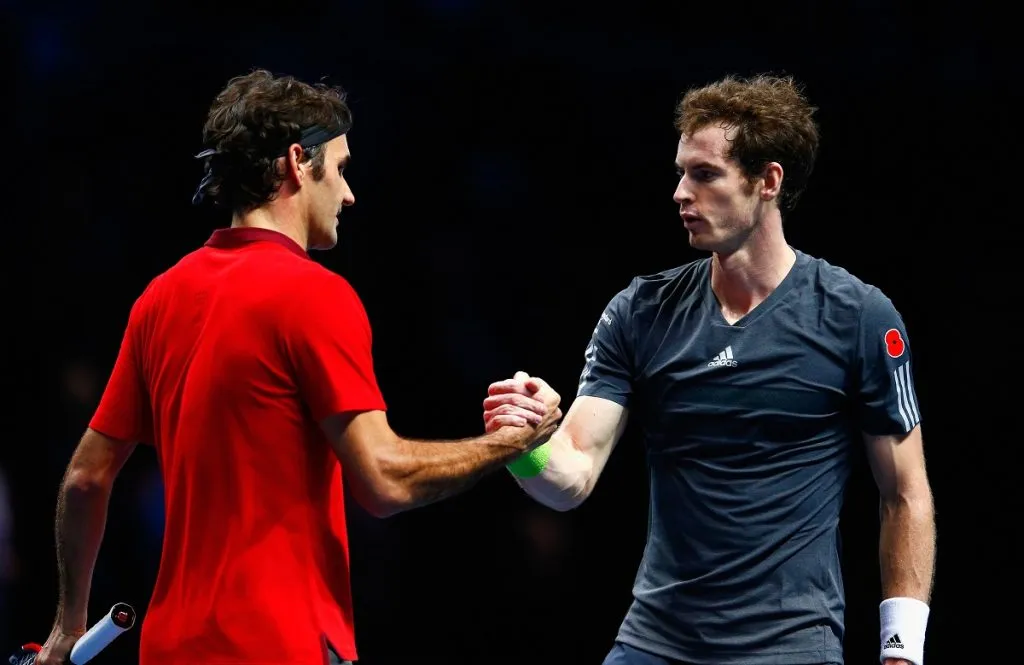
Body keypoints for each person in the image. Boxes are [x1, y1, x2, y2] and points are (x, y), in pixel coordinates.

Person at [35, 69, 562, 665]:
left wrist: (68, 626)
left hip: (171, 649)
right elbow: (385, 480)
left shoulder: (159, 298)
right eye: (339, 169)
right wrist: (510, 443)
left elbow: (86, 477)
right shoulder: (315, 295)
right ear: (296, 161)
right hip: (281, 646)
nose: (348, 193)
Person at [482, 74, 936, 665]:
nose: (679, 193)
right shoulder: (639, 312)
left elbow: (905, 494)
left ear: (768, 181)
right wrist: (527, 442)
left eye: (704, 174)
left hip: (791, 648)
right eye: (680, 171)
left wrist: (902, 650)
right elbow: (571, 479)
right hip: (653, 644)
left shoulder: (859, 317)